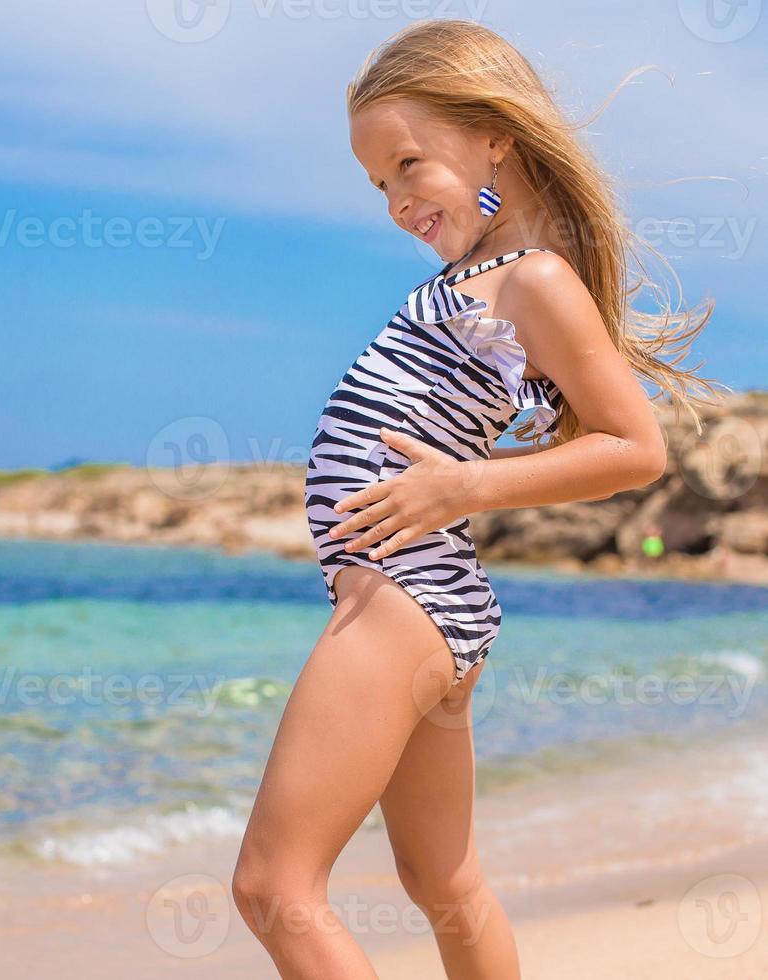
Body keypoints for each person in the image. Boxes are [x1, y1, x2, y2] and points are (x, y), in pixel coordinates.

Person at [231, 18, 723, 979]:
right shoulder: (473, 282)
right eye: (378, 183)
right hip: (420, 600)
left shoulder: (532, 279)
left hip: (404, 593)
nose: (396, 199)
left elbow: (635, 447)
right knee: (445, 885)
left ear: (494, 132)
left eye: (409, 163)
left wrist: (464, 485)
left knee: (272, 888)